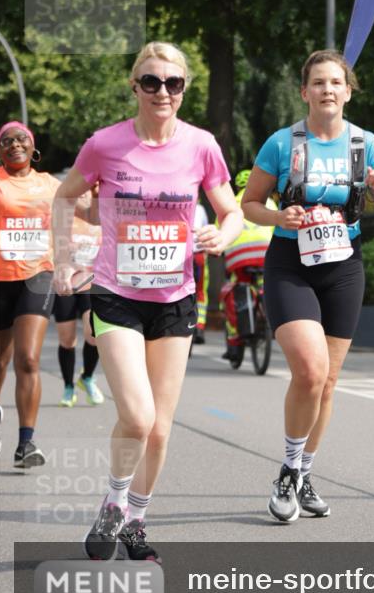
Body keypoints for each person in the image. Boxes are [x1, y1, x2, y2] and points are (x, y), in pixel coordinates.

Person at [53, 42, 243, 562]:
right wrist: (65, 258)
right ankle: (113, 502)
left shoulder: (202, 146)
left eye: (173, 83)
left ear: (184, 90)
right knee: (136, 417)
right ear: (135, 87)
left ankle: (137, 519)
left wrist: (223, 236)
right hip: (116, 295)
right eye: (153, 82)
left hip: (175, 299)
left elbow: (230, 211)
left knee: (159, 428)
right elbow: (65, 195)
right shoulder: (105, 144)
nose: (163, 92)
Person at [242, 50, 374, 523]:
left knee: (328, 384)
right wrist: (277, 215)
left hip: (343, 266)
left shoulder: (366, 145)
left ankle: (303, 473)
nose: (327, 90)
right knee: (311, 372)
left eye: (336, 82)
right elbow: (250, 203)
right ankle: (289, 474)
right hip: (290, 263)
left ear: (348, 91)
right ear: (304, 92)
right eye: (318, 83)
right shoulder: (282, 143)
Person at [0, 122, 60, 468]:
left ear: (32, 146)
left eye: (21, 139)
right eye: (6, 141)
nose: (14, 144)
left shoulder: (50, 184)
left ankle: (26, 443)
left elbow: (87, 212)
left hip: (38, 276)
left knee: (28, 359)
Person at [220, 168, 276, 363]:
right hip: (266, 254)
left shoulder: (230, 202)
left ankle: (235, 342)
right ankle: (265, 313)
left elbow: (221, 232)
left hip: (239, 258)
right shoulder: (269, 202)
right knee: (263, 284)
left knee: (235, 292)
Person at [54, 189, 104, 407]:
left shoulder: (99, 220)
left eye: (87, 193)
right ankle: (68, 386)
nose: (83, 196)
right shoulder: (63, 220)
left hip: (91, 283)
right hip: (67, 283)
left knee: (93, 334)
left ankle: (87, 377)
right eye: (79, 193)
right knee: (67, 340)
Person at [191, 201, 209, 345]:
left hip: (181, 255)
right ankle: (200, 327)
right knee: (200, 291)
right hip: (198, 255)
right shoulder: (200, 209)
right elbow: (205, 230)